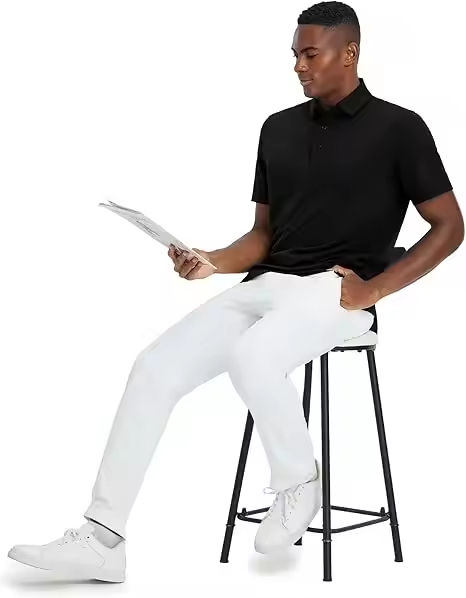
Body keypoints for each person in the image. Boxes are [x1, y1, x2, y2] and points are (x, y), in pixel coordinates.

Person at [7, 0, 463, 584]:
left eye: (310, 54)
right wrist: (211, 262)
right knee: (154, 367)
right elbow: (263, 236)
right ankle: (103, 538)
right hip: (268, 283)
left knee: (254, 355)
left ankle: (299, 481)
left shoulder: (400, 128)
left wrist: (373, 290)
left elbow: (449, 227)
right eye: (294, 54)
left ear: (349, 53)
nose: (298, 66)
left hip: (338, 291)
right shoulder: (278, 128)